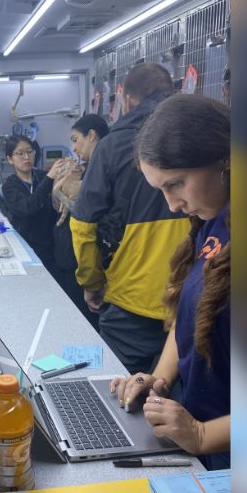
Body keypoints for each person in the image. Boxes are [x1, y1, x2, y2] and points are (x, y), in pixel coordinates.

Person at [109, 94, 231, 471]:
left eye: (176, 184)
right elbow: (193, 317)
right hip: (202, 443)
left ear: (225, 158)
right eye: (160, 189)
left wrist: (201, 435)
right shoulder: (214, 223)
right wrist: (158, 380)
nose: (172, 204)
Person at [70, 63, 189, 375]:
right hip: (192, 300)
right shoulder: (199, 135)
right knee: (183, 403)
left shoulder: (113, 145)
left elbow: (83, 226)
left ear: (125, 99)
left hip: (131, 301)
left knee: (119, 393)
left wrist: (92, 282)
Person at [50, 114, 110, 328]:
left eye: (76, 139)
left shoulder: (100, 169)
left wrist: (60, 191)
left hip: (91, 262)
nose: (74, 148)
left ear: (92, 135)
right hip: (79, 260)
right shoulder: (92, 167)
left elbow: (86, 214)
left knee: (85, 321)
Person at [0, 135, 63, 270]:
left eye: (30, 151)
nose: (26, 157)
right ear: (10, 159)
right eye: (20, 153)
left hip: (54, 248)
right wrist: (50, 178)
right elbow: (28, 208)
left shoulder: (42, 176)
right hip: (28, 249)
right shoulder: (10, 186)